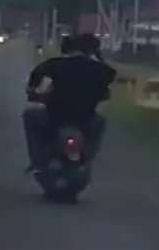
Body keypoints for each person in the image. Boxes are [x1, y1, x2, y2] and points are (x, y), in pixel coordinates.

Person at [22, 32, 116, 172]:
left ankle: (37, 159)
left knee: (29, 117)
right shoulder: (100, 69)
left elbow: (35, 77)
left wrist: (33, 92)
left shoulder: (55, 64)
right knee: (100, 122)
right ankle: (87, 156)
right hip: (85, 120)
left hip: (55, 118)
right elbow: (109, 78)